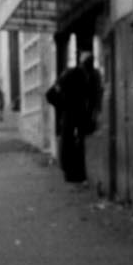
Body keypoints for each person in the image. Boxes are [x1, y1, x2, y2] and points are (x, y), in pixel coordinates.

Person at [48, 51, 102, 184]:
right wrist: (64, 107)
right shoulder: (72, 74)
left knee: (76, 143)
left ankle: (76, 173)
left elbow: (94, 97)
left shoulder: (92, 75)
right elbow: (51, 94)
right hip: (73, 114)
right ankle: (72, 173)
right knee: (70, 143)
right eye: (87, 61)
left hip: (78, 115)